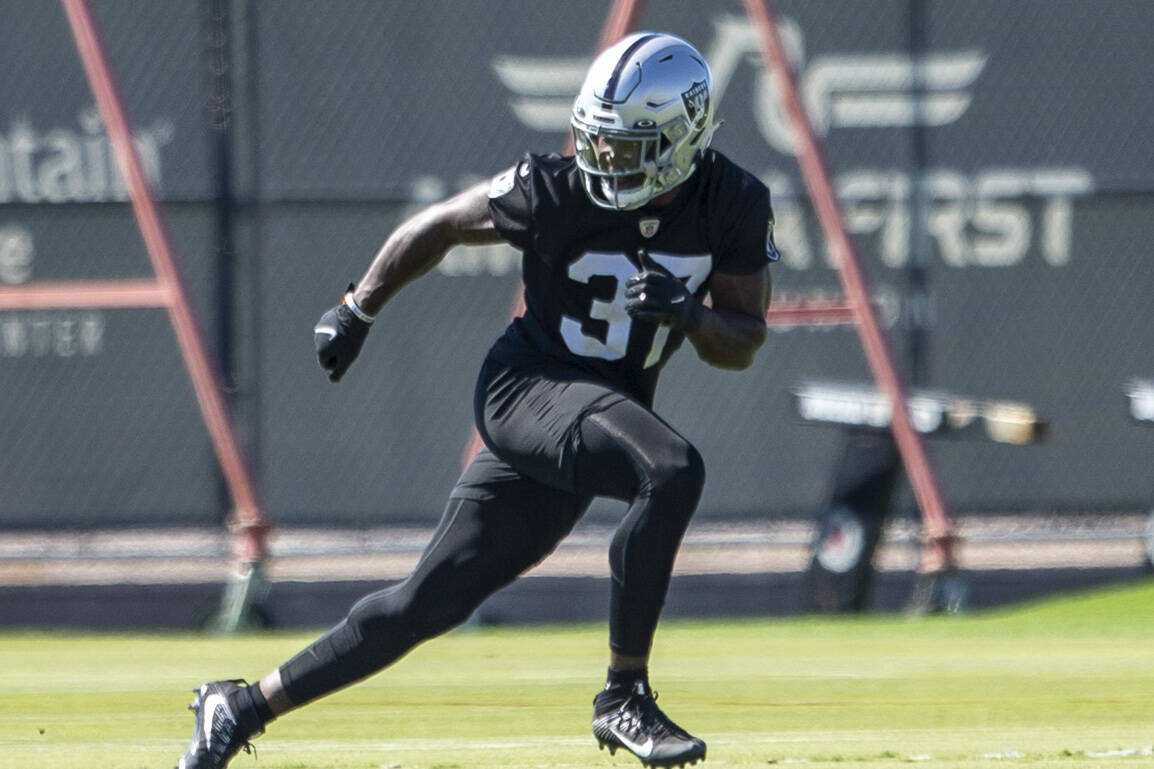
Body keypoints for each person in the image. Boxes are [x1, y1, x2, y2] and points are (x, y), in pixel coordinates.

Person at [176, 31, 778, 769]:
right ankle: (624, 694)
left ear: (683, 139)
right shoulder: (554, 187)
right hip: (526, 389)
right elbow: (438, 226)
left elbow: (744, 338)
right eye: (598, 140)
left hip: (596, 415)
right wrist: (358, 308)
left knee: (426, 602)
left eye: (626, 148)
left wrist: (689, 313)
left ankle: (236, 707)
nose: (602, 162)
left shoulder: (734, 202)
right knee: (672, 467)